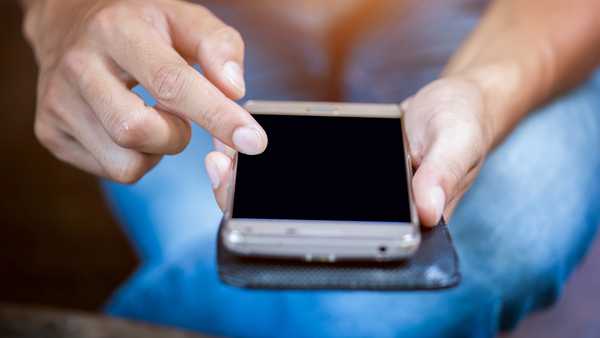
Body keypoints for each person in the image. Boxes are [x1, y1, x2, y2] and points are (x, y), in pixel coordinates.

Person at [19, 0, 600, 337]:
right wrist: (67, 14)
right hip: (201, 37)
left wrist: (484, 89)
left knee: (501, 242)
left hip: (489, 24)